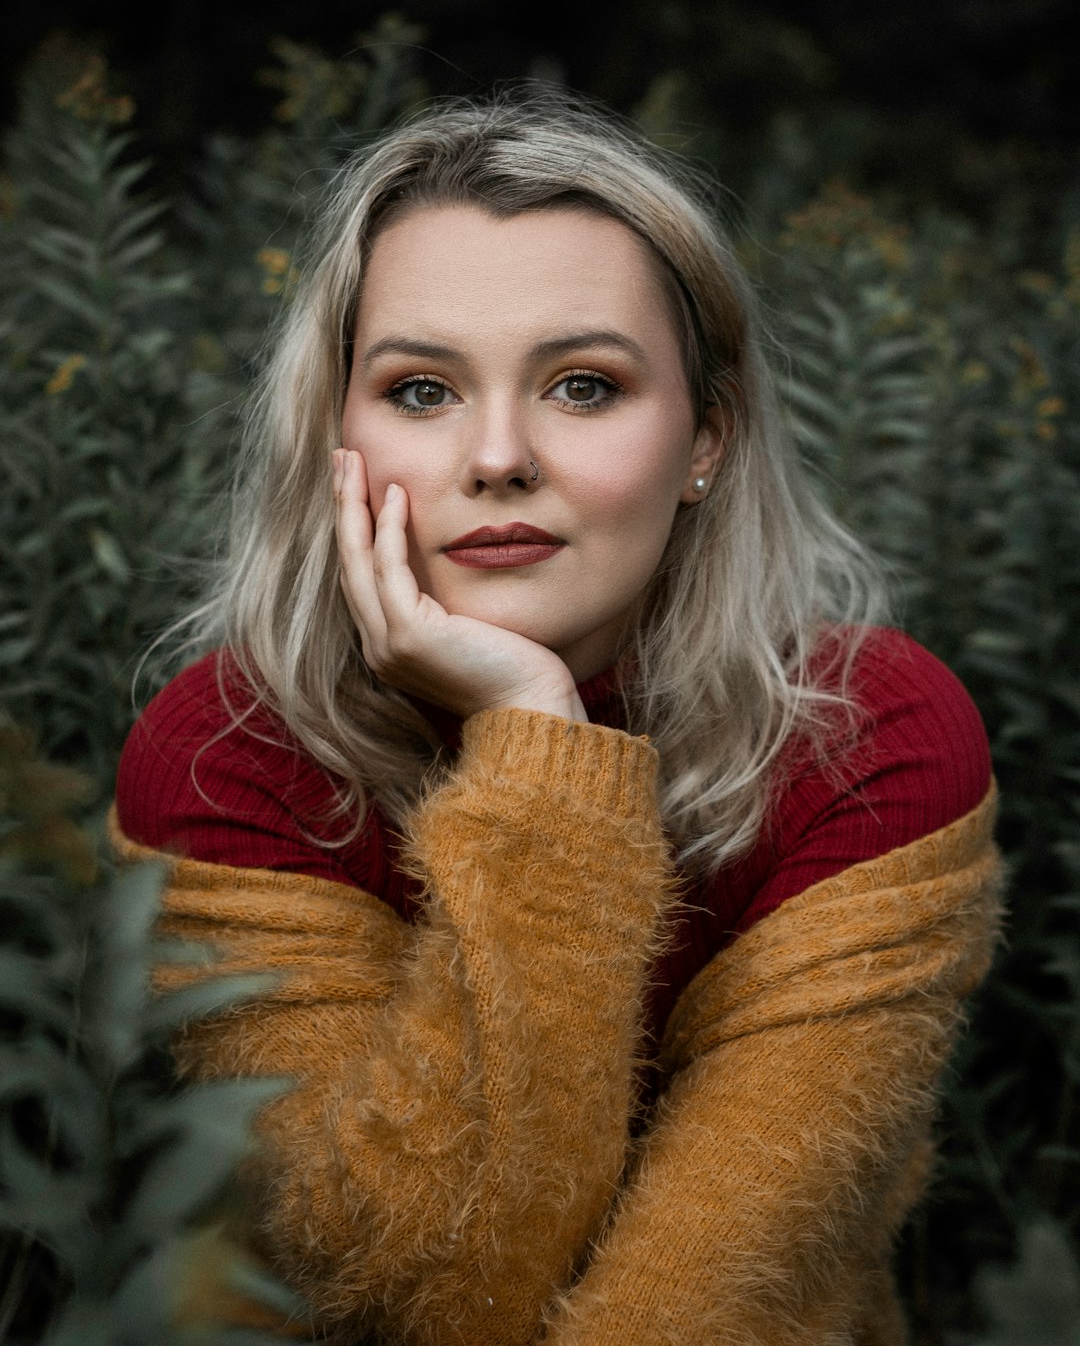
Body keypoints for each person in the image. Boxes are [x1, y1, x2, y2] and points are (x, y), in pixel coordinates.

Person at [111, 92, 1000, 1345]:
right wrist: (543, 751)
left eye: (584, 386)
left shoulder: (868, 745)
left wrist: (533, 750)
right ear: (334, 438)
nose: (497, 456)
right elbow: (413, 1293)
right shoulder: (227, 759)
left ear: (708, 436)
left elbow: (704, 1309)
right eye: (421, 390)